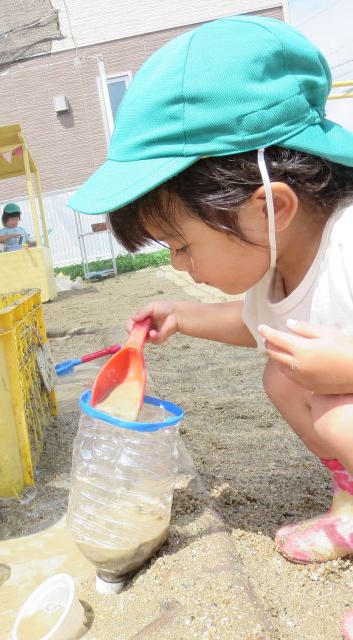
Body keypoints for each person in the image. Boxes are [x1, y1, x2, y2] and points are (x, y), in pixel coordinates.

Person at [68, 16, 353, 638]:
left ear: (270, 207)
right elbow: (259, 324)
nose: (176, 263)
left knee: (336, 411)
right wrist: (185, 316)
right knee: (284, 374)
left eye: (180, 244)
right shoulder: (277, 259)